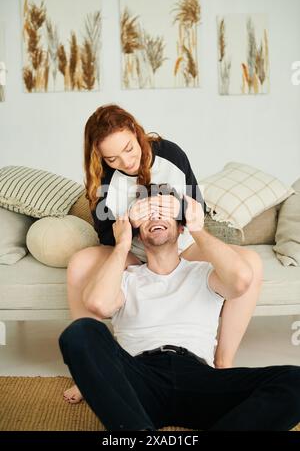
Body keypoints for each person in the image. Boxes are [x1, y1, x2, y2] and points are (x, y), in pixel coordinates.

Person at [63, 104, 263, 403]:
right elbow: (107, 235)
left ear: (136, 131)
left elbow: (199, 210)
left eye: (129, 150)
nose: (126, 162)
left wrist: (177, 209)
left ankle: (223, 362)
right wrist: (131, 219)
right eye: (112, 158)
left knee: (250, 264)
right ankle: (86, 371)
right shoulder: (103, 176)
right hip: (133, 251)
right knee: (79, 264)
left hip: (180, 247)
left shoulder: (171, 154)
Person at [59, 189, 300, 431]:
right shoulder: (126, 278)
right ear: (138, 235)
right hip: (138, 378)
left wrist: (197, 227)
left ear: (181, 227)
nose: (155, 217)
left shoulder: (205, 273)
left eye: (163, 212)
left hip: (200, 379)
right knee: (80, 331)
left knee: (295, 381)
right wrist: (122, 244)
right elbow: (98, 305)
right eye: (147, 214)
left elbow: (240, 279)